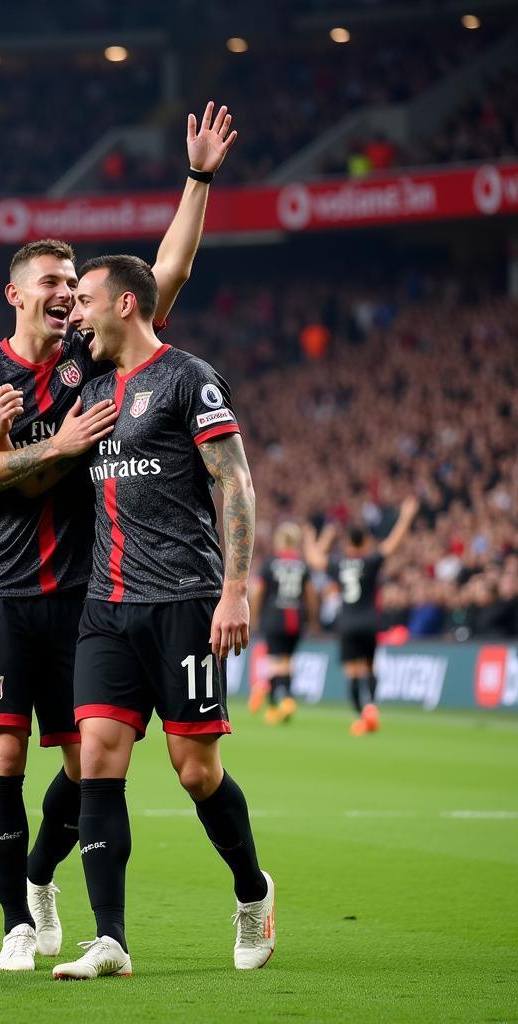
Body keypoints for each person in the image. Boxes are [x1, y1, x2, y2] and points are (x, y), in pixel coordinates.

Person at [0, 102, 238, 973]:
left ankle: (41, 876)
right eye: (51, 283)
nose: (67, 294)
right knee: (2, 748)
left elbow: (166, 275)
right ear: (16, 293)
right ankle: (15, 925)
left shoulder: (90, 358)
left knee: (86, 760)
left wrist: (198, 180)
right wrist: (44, 445)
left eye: (74, 284)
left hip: (85, 589)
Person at [44, 252, 272, 980]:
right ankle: (109, 939)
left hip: (184, 602)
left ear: (126, 306)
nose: (74, 313)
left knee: (195, 771)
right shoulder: (93, 388)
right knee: (99, 761)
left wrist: (234, 589)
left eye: (84, 299)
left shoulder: (188, 379)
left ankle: (252, 892)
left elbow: (235, 480)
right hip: (105, 607)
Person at [305, 496, 419, 735]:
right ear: (366, 542)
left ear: (347, 543)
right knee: (369, 666)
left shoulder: (339, 563)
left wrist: (312, 537)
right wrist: (406, 516)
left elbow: (315, 559)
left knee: (353, 672)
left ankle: (360, 717)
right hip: (369, 621)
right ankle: (371, 707)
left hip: (347, 623)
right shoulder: (370, 560)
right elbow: (392, 544)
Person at [248, 522, 317, 724]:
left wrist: (255, 616)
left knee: (274, 662)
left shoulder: (270, 563)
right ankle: (274, 705)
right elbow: (311, 595)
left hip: (274, 617)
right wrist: (312, 620)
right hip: (296, 618)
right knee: (287, 661)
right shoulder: (302, 565)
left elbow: (259, 591)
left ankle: (284, 699)